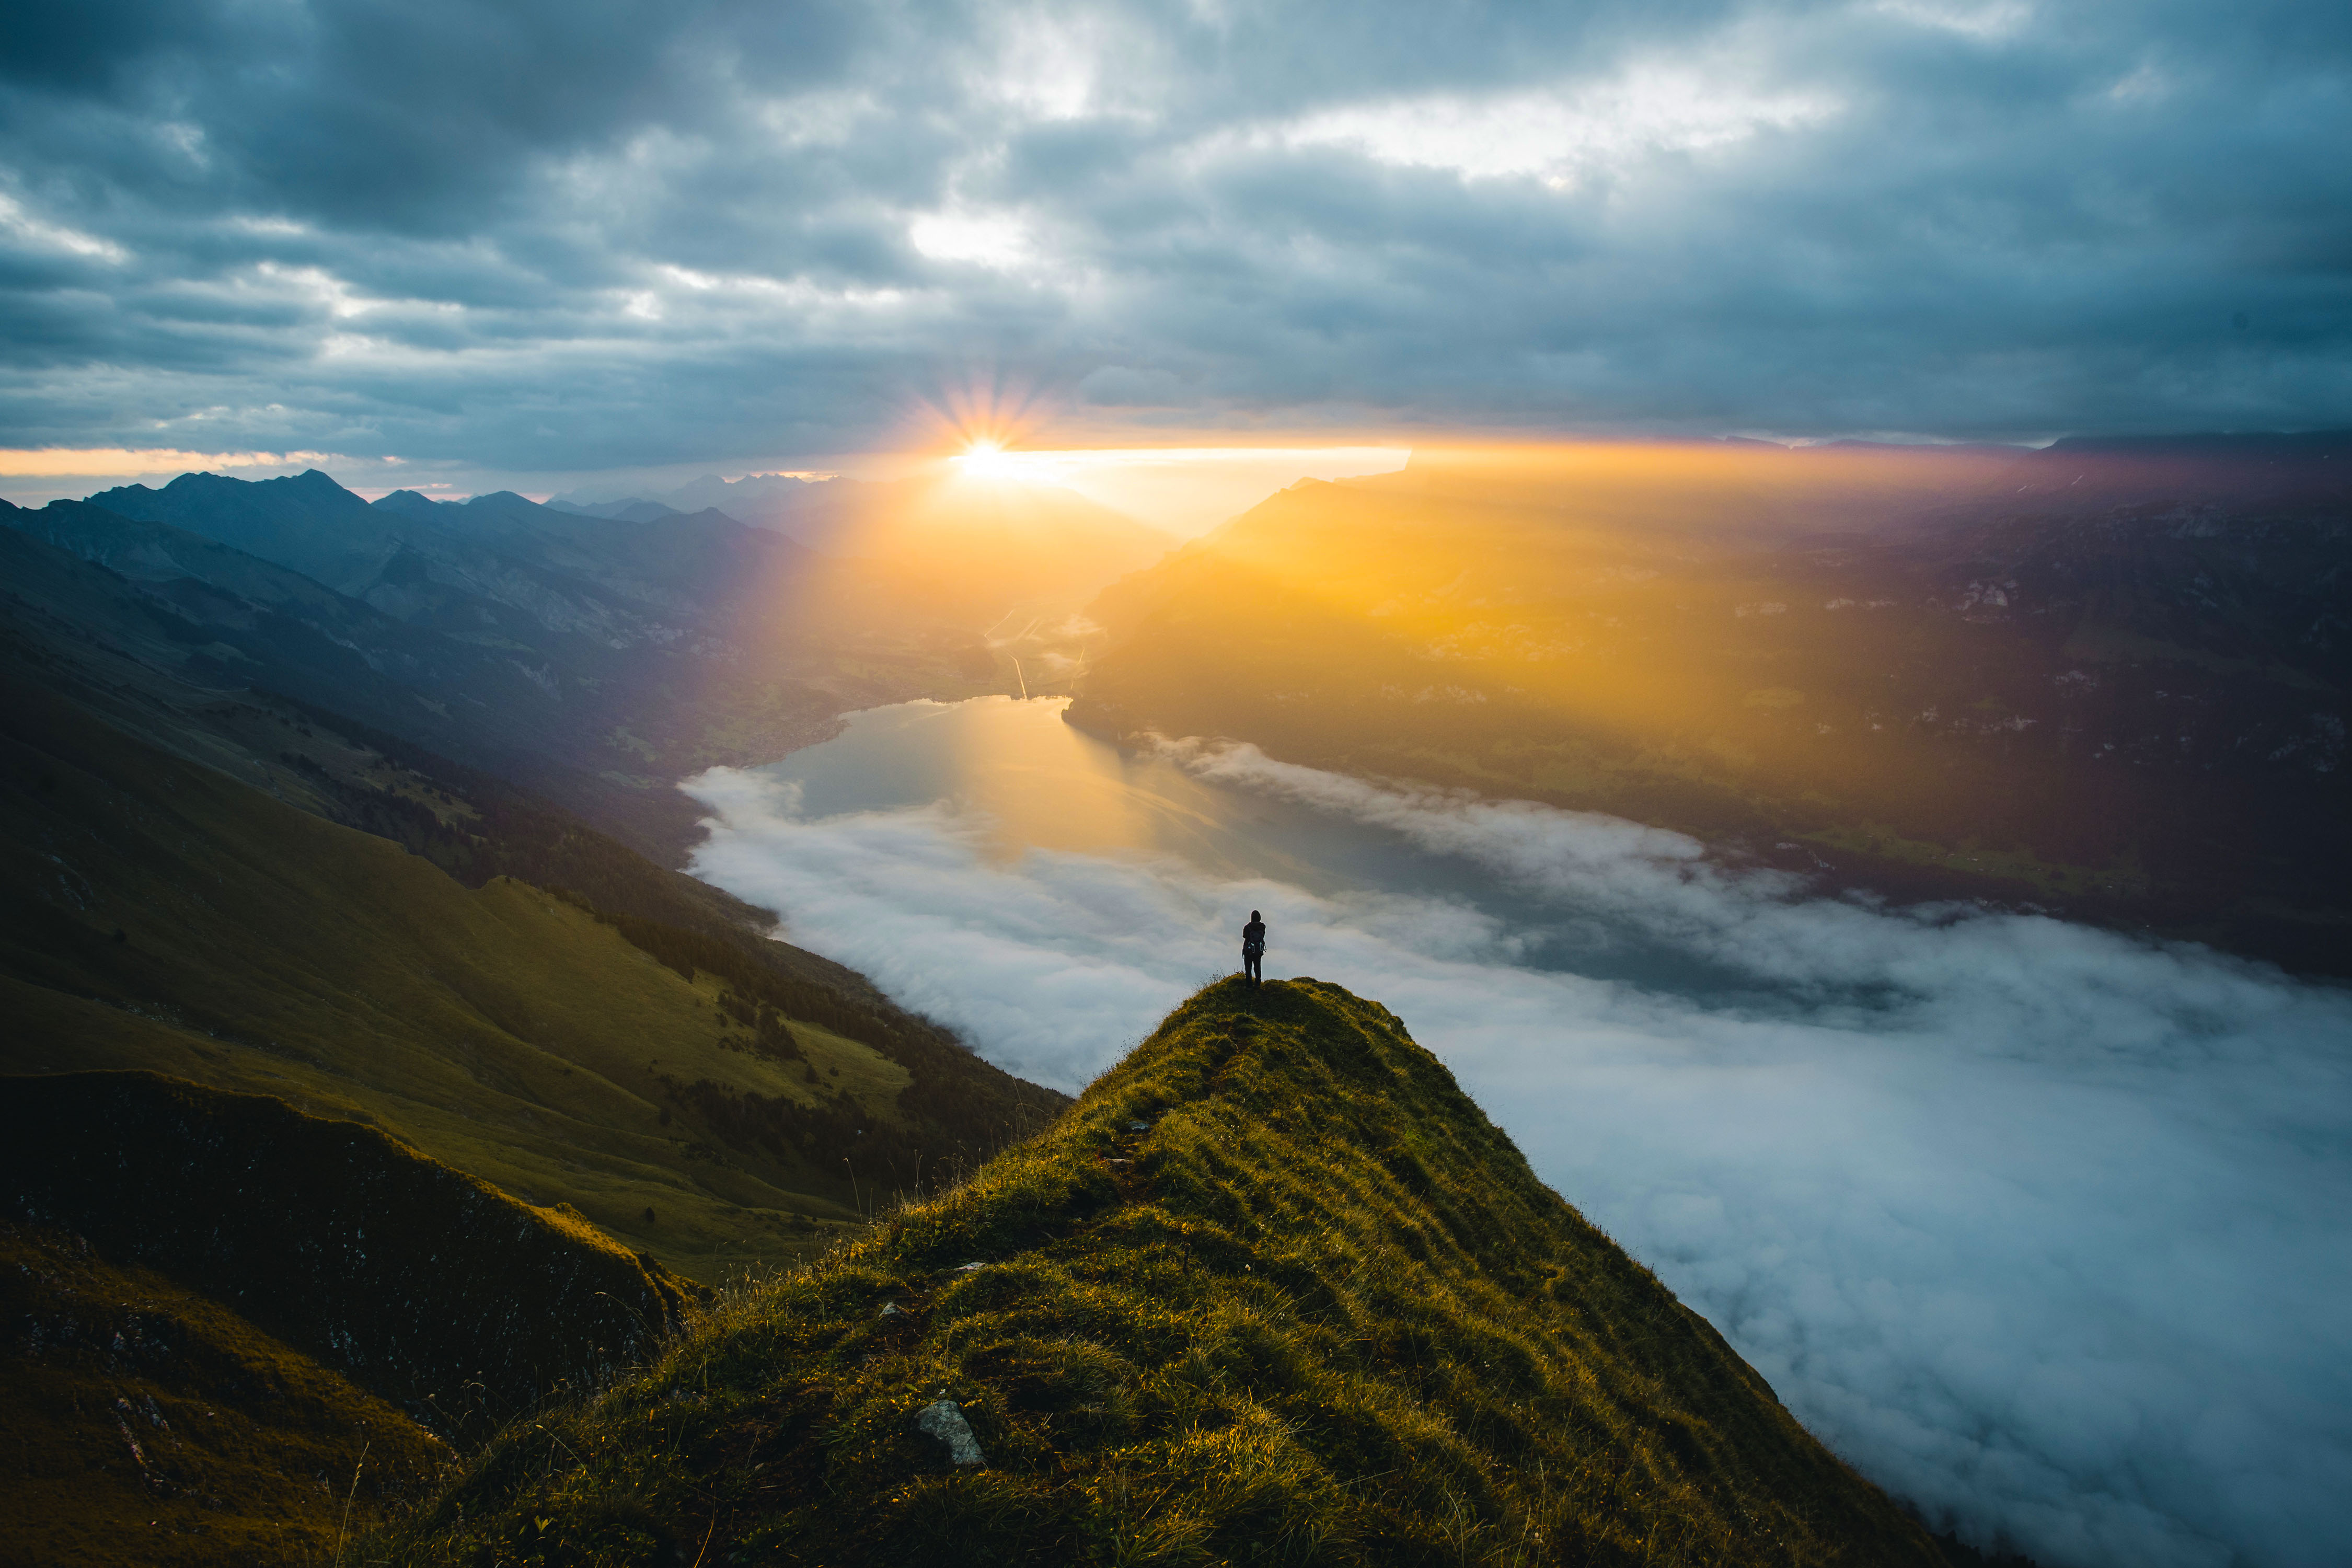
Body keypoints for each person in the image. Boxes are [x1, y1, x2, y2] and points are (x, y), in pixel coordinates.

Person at [1241, 909, 1266, 985]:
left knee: (1248, 968)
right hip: (1258, 950)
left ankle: (1249, 986)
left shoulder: (1247, 927)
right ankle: (1257, 984)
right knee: (1257, 967)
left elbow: (1244, 936)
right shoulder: (1262, 927)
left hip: (1248, 950)